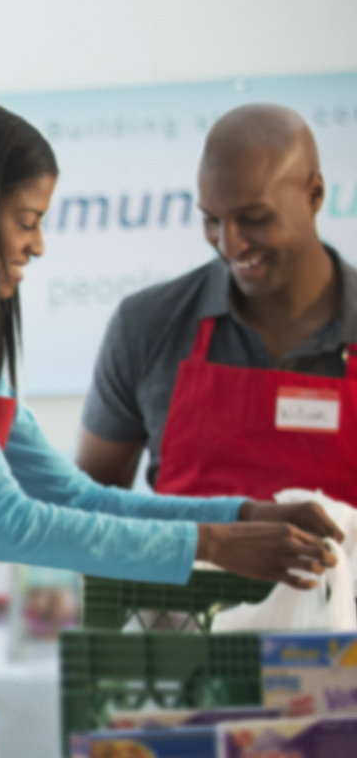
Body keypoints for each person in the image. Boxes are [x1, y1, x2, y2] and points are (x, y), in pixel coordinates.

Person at [0, 97, 339, 589]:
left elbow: (78, 497)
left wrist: (243, 516)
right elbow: (3, 523)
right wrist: (216, 545)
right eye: (27, 222)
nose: (37, 245)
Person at [78, 104, 357, 504]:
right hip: (187, 571)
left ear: (314, 194)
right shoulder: (146, 326)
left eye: (254, 218)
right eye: (212, 220)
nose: (230, 245)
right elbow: (88, 510)